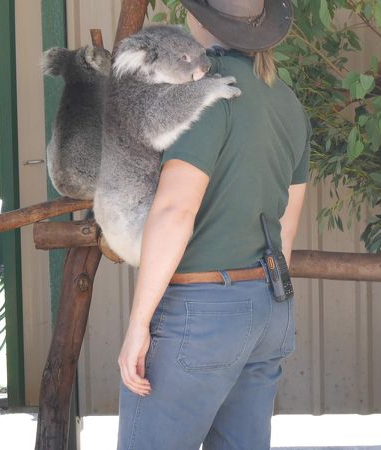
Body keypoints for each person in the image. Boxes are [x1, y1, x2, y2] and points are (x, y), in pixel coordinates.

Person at [115, 1, 310, 449]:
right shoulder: (287, 101)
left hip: (202, 315)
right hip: (270, 306)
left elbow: (174, 211)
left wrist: (138, 324)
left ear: (199, 20)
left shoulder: (203, 92)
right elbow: (287, 230)